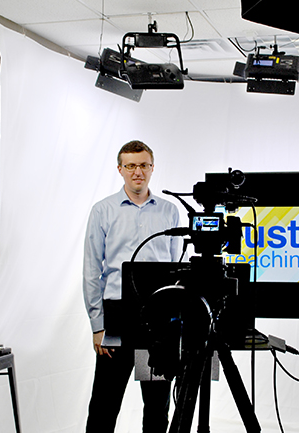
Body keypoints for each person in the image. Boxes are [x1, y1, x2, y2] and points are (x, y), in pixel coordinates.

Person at [83, 140, 181, 433]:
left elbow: (175, 264)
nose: (137, 172)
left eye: (143, 165)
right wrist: (97, 326)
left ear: (152, 168)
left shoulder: (169, 212)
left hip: (159, 317)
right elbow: (91, 271)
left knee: (157, 402)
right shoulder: (103, 211)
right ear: (120, 169)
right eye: (130, 166)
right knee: (104, 402)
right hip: (117, 316)